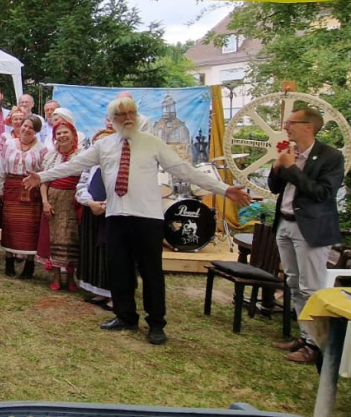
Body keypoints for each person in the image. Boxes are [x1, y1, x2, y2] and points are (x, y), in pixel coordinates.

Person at [23, 96, 251, 345]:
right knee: (119, 270)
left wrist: (225, 189)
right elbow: (74, 165)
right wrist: (41, 176)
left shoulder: (153, 143)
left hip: (147, 218)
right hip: (116, 217)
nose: (128, 118)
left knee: (151, 273)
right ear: (113, 120)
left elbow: (185, 170)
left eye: (131, 112)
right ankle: (125, 316)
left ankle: (156, 324)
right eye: (121, 115)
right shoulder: (104, 145)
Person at [269, 107, 345, 363]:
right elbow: (274, 188)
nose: (286, 126)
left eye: (291, 122)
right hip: (286, 224)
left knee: (311, 287)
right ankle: (304, 336)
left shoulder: (331, 156)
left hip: (310, 229)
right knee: (293, 282)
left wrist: (292, 168)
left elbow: (322, 193)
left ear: (308, 126)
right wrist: (278, 168)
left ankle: (316, 346)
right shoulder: (292, 152)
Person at [0, 115, 48, 279]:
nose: (26, 129)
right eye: (25, 125)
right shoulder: (9, 144)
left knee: (30, 226)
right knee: (10, 224)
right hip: (12, 187)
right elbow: (2, 167)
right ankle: (9, 261)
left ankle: (29, 264)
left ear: (36, 131)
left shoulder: (42, 148)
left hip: (31, 190)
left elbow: (44, 172)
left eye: (31, 128)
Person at [37, 112, 82, 290]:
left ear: (73, 135)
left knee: (71, 238)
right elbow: (43, 182)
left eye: (65, 132)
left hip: (72, 201)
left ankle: (70, 277)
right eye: (59, 133)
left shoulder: (81, 156)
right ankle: (56, 276)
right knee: (53, 237)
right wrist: (45, 202)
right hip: (54, 199)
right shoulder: (51, 157)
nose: (62, 136)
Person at [76, 125, 117, 310]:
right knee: (94, 253)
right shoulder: (91, 165)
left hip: (113, 214)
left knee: (112, 255)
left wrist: (106, 204)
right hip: (92, 212)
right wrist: (90, 203)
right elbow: (82, 186)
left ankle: (115, 294)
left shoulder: (119, 165)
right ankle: (100, 291)